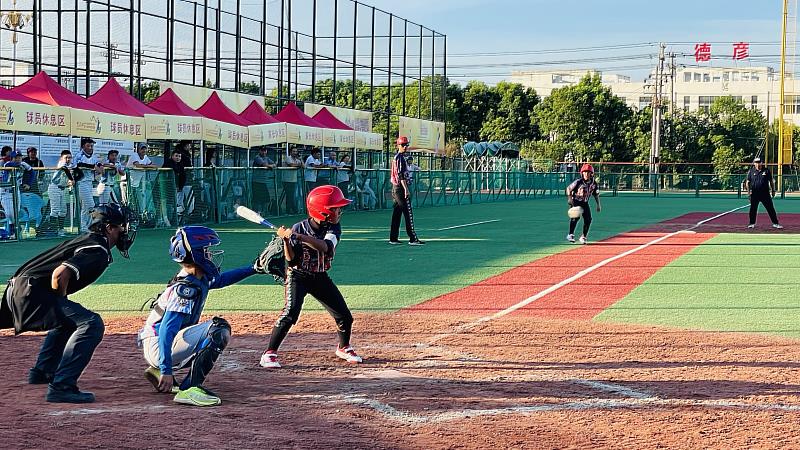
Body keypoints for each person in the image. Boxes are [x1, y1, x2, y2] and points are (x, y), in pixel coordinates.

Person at [0, 204, 136, 403]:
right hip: (31, 292)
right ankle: (62, 386)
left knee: (69, 321)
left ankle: (43, 372)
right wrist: (61, 297)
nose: (125, 231)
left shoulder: (89, 241)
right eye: (121, 226)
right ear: (108, 228)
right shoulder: (98, 249)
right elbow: (60, 273)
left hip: (21, 289)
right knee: (91, 323)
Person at [138, 226, 260, 407]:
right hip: (158, 344)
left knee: (210, 333)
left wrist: (254, 268)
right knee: (218, 329)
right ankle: (189, 388)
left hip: (157, 343)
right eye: (206, 251)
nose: (210, 254)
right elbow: (166, 329)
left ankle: (157, 371)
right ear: (196, 255)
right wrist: (166, 369)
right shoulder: (185, 289)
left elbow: (221, 280)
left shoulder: (195, 277)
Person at [260, 185, 363, 369]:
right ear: (323, 212)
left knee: (344, 316)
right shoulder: (299, 227)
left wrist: (300, 237)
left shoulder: (333, 227)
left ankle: (343, 347)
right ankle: (269, 353)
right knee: (290, 314)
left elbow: (325, 247)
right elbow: (290, 260)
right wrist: (286, 240)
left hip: (319, 276)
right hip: (297, 276)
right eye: (335, 208)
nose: (340, 211)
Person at [389, 136, 424, 245]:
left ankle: (393, 238)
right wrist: (406, 189)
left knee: (397, 213)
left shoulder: (397, 157)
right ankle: (413, 238)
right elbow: (401, 175)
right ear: (398, 145)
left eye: (406, 145)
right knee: (408, 213)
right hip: (400, 188)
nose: (405, 147)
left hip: (395, 188)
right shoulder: (400, 158)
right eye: (403, 145)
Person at [73, 137, 104, 232]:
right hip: (81, 183)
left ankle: (84, 227)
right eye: (88, 146)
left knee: (85, 207)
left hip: (89, 183)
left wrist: (100, 166)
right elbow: (78, 165)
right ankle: (89, 226)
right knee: (91, 204)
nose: (90, 147)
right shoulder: (79, 155)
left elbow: (99, 165)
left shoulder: (93, 156)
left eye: (91, 146)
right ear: (83, 146)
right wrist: (94, 167)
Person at [566, 163, 601, 244]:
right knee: (575, 217)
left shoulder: (594, 183)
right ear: (582, 173)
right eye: (584, 172)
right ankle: (570, 234)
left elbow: (596, 194)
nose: (586, 174)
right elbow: (568, 188)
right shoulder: (578, 182)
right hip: (576, 201)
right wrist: (569, 198)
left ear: (591, 174)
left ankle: (583, 237)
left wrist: (598, 205)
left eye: (588, 172)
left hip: (585, 202)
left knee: (588, 219)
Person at [745, 157, 782, 229]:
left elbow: (771, 181)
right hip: (755, 194)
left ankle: (775, 223)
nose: (758, 164)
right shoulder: (751, 171)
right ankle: (751, 223)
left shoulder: (766, 171)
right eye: (756, 162)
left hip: (765, 194)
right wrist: (749, 193)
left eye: (759, 162)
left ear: (761, 163)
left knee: (770, 208)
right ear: (754, 163)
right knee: (753, 209)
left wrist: (773, 190)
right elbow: (747, 182)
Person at [1, 151, 32, 236]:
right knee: (10, 214)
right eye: (16, 157)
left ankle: (12, 233)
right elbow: (10, 165)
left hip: (16, 191)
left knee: (16, 213)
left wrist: (28, 183)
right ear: (12, 158)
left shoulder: (23, 164)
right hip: (6, 192)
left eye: (20, 157)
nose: (18, 159)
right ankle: (17, 228)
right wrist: (20, 165)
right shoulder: (7, 164)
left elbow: (31, 172)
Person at [45, 150, 74, 236]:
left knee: (63, 211)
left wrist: (73, 179)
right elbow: (65, 169)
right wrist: (71, 179)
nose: (68, 159)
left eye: (69, 157)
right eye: (66, 157)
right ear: (62, 158)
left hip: (62, 189)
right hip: (54, 187)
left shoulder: (70, 165)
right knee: (55, 210)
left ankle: (60, 230)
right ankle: (52, 230)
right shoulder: (61, 163)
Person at [126, 142, 157, 216]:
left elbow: (153, 165)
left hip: (138, 183)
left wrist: (147, 166)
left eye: (145, 149)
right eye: (142, 149)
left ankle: (140, 215)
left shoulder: (145, 157)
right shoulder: (134, 155)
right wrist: (147, 166)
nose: (143, 150)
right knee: (129, 200)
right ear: (138, 150)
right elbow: (138, 165)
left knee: (139, 199)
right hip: (127, 182)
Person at [162, 149, 192, 221]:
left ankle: (175, 218)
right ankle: (167, 219)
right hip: (166, 188)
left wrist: (180, 187)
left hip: (176, 188)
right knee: (168, 203)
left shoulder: (181, 164)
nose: (178, 158)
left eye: (179, 156)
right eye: (176, 156)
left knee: (177, 203)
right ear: (172, 156)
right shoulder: (168, 163)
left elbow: (183, 176)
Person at [252, 147, 276, 216]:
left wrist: (270, 166)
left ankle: (264, 212)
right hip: (256, 181)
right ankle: (256, 213)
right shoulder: (257, 157)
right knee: (257, 198)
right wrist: (269, 166)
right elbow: (264, 165)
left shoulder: (267, 158)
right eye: (262, 151)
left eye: (265, 151)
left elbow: (274, 164)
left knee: (266, 198)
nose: (264, 152)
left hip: (263, 182)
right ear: (259, 151)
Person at [281, 147, 303, 214]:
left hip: (293, 180)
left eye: (296, 151)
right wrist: (299, 165)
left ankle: (293, 210)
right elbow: (292, 165)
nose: (295, 153)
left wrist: (301, 159)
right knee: (289, 196)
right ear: (291, 152)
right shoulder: (288, 158)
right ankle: (289, 211)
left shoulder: (297, 160)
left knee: (291, 196)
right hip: (286, 180)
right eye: (293, 151)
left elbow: (303, 166)